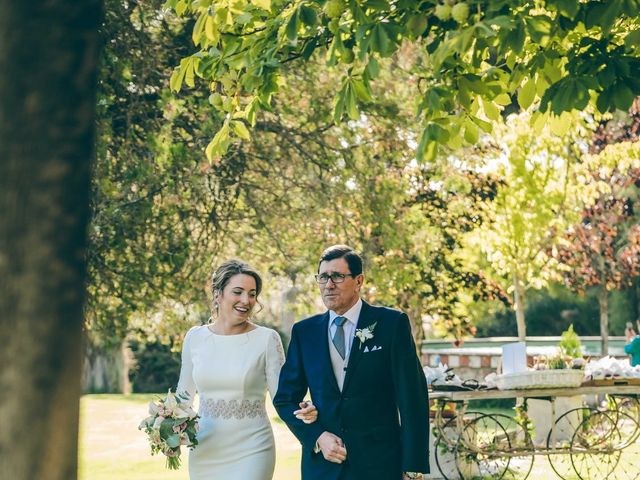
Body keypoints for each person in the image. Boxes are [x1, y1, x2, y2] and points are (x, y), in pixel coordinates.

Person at [274, 245, 430, 480]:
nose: (329, 284)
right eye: (323, 277)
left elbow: (412, 399)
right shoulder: (304, 332)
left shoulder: (391, 324)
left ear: (359, 281)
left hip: (380, 464)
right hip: (323, 466)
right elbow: (285, 398)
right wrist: (317, 437)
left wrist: (412, 465)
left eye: (337, 276)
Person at [176, 259, 318, 479]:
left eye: (252, 294)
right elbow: (183, 398)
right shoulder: (195, 337)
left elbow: (283, 396)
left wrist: (304, 410)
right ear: (218, 293)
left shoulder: (266, 339)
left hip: (253, 449)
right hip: (205, 449)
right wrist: (167, 424)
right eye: (238, 292)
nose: (246, 300)